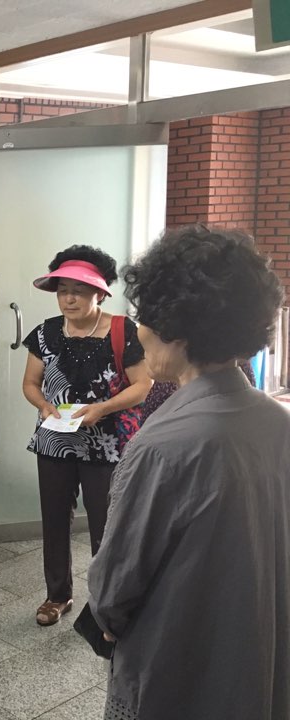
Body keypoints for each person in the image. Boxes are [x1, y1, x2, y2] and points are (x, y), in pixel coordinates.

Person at [88, 226, 289, 720]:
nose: (139, 332)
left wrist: (106, 619)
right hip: (261, 651)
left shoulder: (163, 446)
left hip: (178, 663)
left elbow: (113, 592)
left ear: (176, 329)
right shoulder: (277, 422)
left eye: (144, 318)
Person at [21, 245, 151, 627]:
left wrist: (102, 409)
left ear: (99, 293)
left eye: (78, 291)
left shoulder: (123, 330)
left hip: (106, 445)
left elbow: (143, 385)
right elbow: (30, 384)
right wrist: (44, 406)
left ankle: (105, 602)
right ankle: (57, 596)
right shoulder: (45, 333)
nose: (69, 299)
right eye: (63, 291)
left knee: (106, 526)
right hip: (54, 442)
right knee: (54, 521)